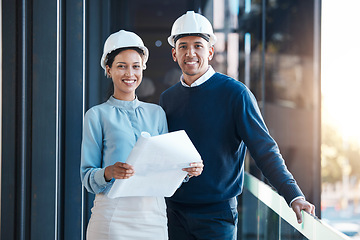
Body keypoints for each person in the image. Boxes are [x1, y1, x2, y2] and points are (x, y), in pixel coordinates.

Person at [159, 11, 316, 240]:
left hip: (216, 217)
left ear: (210, 51)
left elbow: (264, 150)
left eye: (198, 46)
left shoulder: (235, 94)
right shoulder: (167, 98)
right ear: (174, 54)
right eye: (183, 46)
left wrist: (294, 195)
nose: (190, 53)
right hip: (174, 214)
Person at [80, 29, 203, 240]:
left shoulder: (156, 113)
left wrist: (187, 171)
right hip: (112, 216)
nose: (130, 74)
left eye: (136, 67)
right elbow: (87, 177)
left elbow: (166, 168)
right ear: (108, 70)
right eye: (121, 66)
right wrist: (109, 172)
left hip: (153, 218)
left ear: (143, 69)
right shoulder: (96, 115)